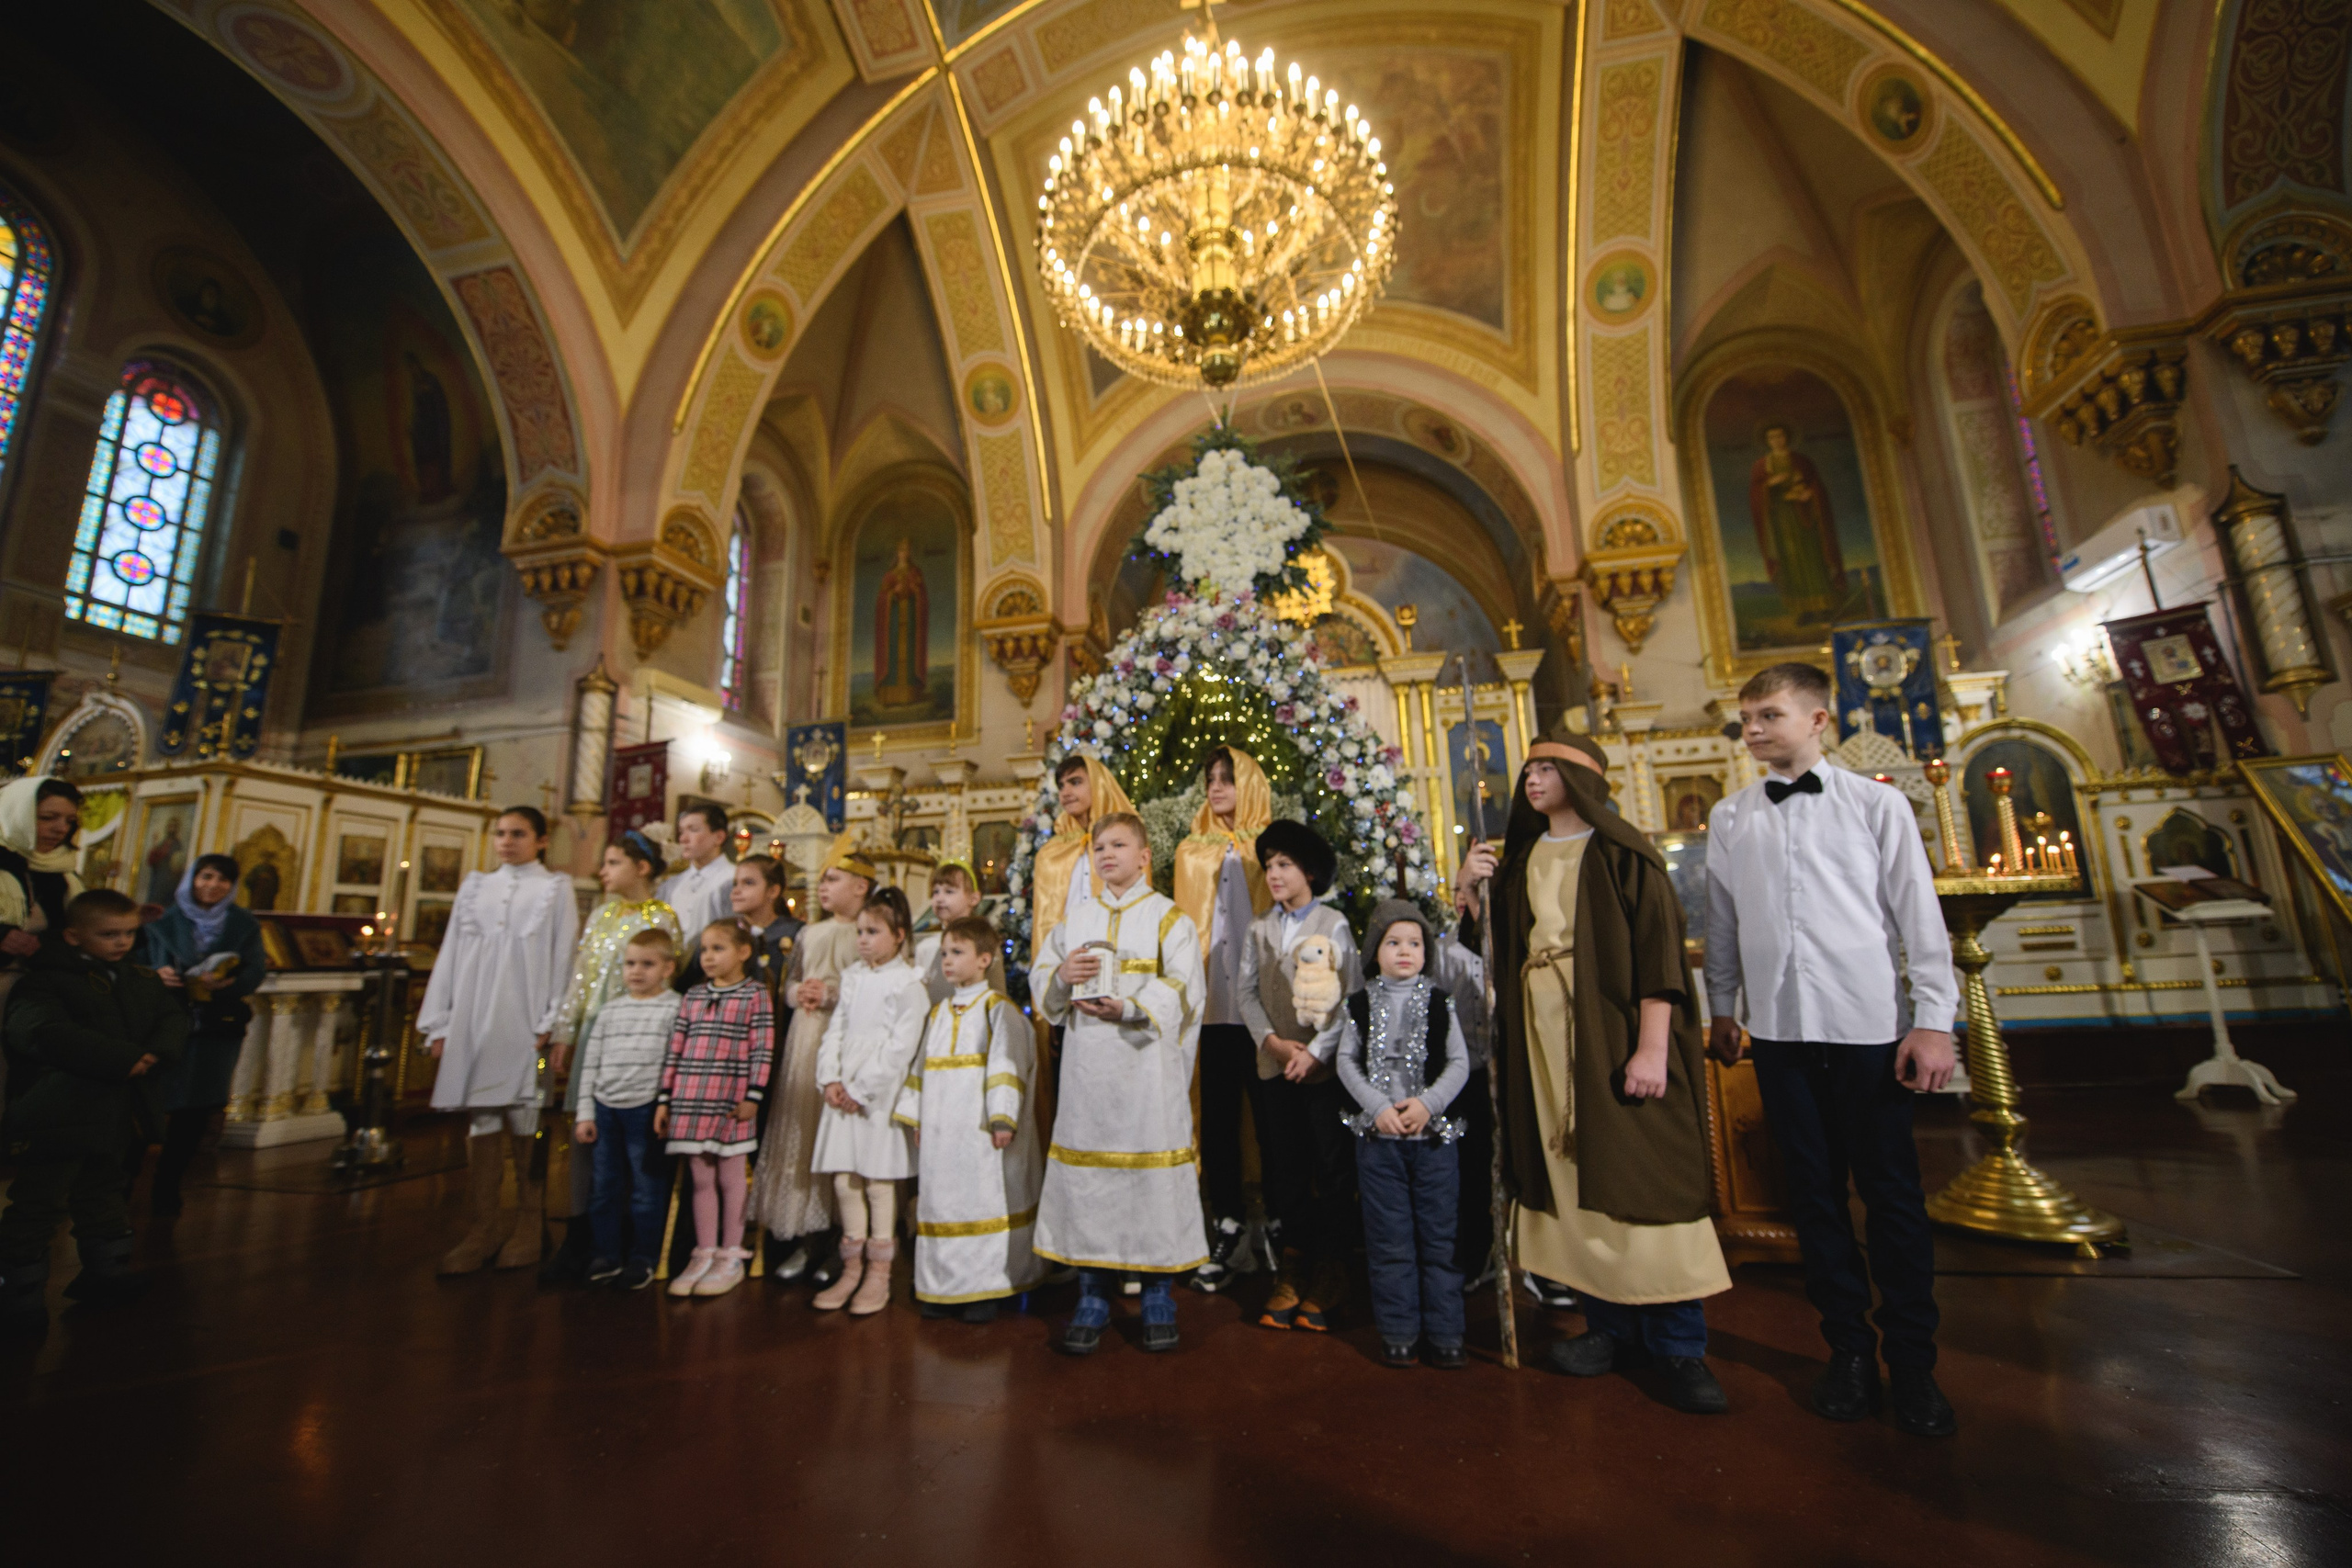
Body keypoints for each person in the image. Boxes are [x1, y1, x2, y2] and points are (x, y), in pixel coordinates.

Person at [1704, 662, 1960, 1437]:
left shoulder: (1876, 805)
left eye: (1769, 715)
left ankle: (1914, 1364)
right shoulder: (1730, 816)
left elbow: (1918, 917)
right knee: (1812, 1201)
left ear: (1819, 720)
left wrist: (1934, 1020)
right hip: (1779, 1035)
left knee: (1892, 1200)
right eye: (1746, 716)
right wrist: (1722, 1008)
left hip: (1868, 1032)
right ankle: (1848, 1351)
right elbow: (1722, 924)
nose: (1752, 728)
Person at [1458, 730, 1731, 1416]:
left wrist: (1650, 1047)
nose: (1533, 778)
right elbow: (1488, 951)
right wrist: (1470, 890)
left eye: (1548, 767)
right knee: (1573, 1176)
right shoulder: (1518, 862)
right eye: (1529, 768)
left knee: (1642, 1175)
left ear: (1582, 778)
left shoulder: (1622, 852)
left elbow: (1659, 956)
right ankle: (1607, 1327)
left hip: (1612, 1034)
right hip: (1542, 1044)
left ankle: (1678, 1343)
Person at [1031, 812, 1205, 1354]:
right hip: (1089, 1073)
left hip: (1147, 1071)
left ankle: (1158, 1293)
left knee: (1148, 1181)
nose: (1106, 854)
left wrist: (1130, 1005)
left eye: (1119, 845)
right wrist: (1060, 978)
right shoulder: (1076, 918)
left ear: (1144, 855)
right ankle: (1093, 1293)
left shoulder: (1168, 919)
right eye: (1099, 847)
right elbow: (1044, 978)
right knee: (1091, 1184)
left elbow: (1184, 988)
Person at [0, 889, 187, 1332]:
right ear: (73, 936)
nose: (121, 943)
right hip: (57, 1109)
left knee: (104, 1188)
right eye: (108, 935)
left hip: (115, 1110)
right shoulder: (45, 981)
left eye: (128, 933)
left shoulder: (139, 979)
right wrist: (124, 1058)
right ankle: (19, 1294)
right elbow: (44, 1032)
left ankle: (107, 1273)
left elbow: (173, 1017)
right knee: (39, 1201)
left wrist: (158, 1052)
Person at [416, 806, 580, 1275]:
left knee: (530, 1114)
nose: (507, 842)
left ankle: (531, 1225)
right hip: (474, 1019)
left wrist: (554, 1020)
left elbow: (562, 953)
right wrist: (441, 1022)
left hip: (529, 1024)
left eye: (519, 834)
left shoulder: (555, 888)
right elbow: (451, 953)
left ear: (542, 840)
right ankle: (483, 1227)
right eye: (501, 834)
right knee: (482, 1117)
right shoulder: (475, 887)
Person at [1235, 819, 1358, 1329]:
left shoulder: (1332, 925)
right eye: (1268, 865)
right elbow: (1245, 993)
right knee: (1283, 1168)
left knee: (1329, 1168)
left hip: (1321, 1073)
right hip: (1273, 1067)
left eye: (1284, 864)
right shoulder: (1259, 928)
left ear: (1308, 870)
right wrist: (1271, 1042)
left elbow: (1350, 998)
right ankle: (1293, 1265)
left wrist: (1316, 1051)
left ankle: (1332, 1268)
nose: (1274, 873)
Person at [1339, 900, 1472, 1371]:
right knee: (1390, 1240)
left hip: (1433, 1143)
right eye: (1393, 943)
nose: (1404, 951)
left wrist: (1427, 1104)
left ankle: (1446, 1331)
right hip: (1380, 1145)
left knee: (1439, 1240)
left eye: (1414, 943)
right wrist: (1376, 1109)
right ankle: (1398, 1330)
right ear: (1375, 951)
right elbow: (1346, 1062)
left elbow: (1459, 1062)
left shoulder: (1440, 1001)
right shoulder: (1359, 1003)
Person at [541, 832, 680, 1282]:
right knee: (588, 1135)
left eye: (614, 862)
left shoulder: (663, 918)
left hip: (639, 1042)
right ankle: (584, 1234)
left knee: (637, 1147)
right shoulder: (601, 915)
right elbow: (581, 977)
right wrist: (567, 1030)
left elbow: (662, 979)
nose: (603, 871)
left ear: (642, 868)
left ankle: (631, 1240)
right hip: (595, 1036)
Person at [896, 914, 1043, 1321]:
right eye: (944, 952)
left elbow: (1006, 1065)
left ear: (984, 959)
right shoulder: (939, 1013)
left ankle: (985, 1288)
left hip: (979, 1133)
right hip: (943, 1135)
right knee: (942, 1204)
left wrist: (1002, 1118)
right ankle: (940, 1284)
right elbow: (921, 1068)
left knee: (982, 1200)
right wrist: (918, 1118)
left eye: (957, 952)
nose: (947, 961)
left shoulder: (999, 1010)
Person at [1170, 747, 1272, 1293]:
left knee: (1271, 1118)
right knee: (1217, 1119)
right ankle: (1226, 1218)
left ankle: (1275, 1223)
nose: (1216, 788)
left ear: (1248, 784)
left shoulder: (1269, 849)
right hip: (1211, 1012)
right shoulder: (1191, 851)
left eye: (1227, 779)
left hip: (1261, 1014)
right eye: (1210, 779)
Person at [750, 838, 870, 1280]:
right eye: (821, 880)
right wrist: (797, 992)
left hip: (844, 1038)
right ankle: (807, 1238)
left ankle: (845, 1239)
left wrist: (834, 994)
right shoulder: (808, 932)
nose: (823, 887)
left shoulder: (866, 932)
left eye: (833, 879)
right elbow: (790, 982)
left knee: (837, 1138)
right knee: (801, 1132)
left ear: (861, 887)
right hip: (805, 1037)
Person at [809, 886, 927, 1316]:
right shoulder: (855, 977)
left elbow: (901, 1046)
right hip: (844, 1090)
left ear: (898, 935)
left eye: (872, 931)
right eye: (859, 930)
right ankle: (851, 1268)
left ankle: (879, 1275)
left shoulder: (909, 983)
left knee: (879, 1183)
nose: (862, 939)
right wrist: (831, 1078)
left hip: (877, 1092)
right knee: (844, 1180)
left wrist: (861, 1090)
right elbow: (835, 1030)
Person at [132, 854, 268, 1216]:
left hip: (215, 1025)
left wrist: (227, 982)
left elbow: (256, 969)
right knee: (149, 1101)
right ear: (192, 879)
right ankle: (125, 1184)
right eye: (206, 877)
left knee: (197, 1107)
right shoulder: (162, 919)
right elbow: (133, 959)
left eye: (223, 880)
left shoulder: (243, 923)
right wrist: (154, 973)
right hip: (164, 1021)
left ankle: (169, 1182)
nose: (213, 886)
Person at [657, 920, 775, 1300]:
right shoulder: (692, 996)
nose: (708, 957)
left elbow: (762, 1048)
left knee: (731, 1176)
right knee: (700, 1177)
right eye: (704, 950)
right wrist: (665, 1098)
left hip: (730, 1098)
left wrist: (753, 1095)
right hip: (691, 1097)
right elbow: (676, 1047)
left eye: (718, 949)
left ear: (743, 952)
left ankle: (731, 1252)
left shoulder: (755, 994)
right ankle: (704, 1252)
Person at [571, 928, 683, 1292]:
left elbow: (673, 1062)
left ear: (668, 968)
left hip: (646, 1107)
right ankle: (605, 1252)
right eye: (630, 964)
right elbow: (591, 1062)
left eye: (647, 964)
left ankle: (644, 1256)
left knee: (647, 1187)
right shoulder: (611, 1010)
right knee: (604, 1186)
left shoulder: (675, 1007)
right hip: (606, 1106)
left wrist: (664, 1104)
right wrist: (585, 1112)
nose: (636, 971)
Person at [1026, 751, 1134, 966]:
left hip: (1116, 958)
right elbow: (1045, 926)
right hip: (1067, 964)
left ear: (1098, 785)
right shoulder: (1051, 853)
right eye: (1061, 786)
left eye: (1075, 782)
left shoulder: (1127, 842)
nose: (1066, 792)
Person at [915, 860, 1004, 1007]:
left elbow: (997, 997)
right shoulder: (925, 947)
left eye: (949, 891)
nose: (939, 899)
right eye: (935, 892)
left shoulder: (984, 942)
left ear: (974, 898)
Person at [659, 802, 735, 941]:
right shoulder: (671, 885)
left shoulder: (733, 878)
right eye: (681, 832)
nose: (683, 839)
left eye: (693, 830)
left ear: (719, 837)